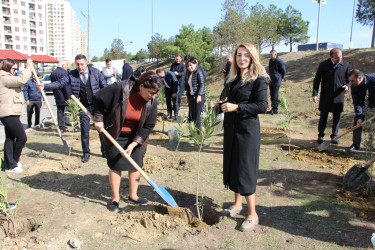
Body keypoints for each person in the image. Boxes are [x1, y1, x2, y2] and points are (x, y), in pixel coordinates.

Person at [93, 71, 162, 212]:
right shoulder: (119, 89)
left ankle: (133, 196)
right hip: (114, 132)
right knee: (115, 165)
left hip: (135, 135)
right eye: (151, 93)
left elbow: (149, 126)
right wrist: (98, 119)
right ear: (141, 86)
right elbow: (98, 99)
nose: (153, 96)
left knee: (136, 165)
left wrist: (135, 143)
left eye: (155, 93)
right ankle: (115, 198)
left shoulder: (152, 101)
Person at [218, 43, 268, 232]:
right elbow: (231, 99)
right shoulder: (232, 77)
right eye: (239, 55)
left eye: (246, 55)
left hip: (248, 130)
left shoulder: (259, 79)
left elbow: (262, 106)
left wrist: (236, 107)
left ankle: (252, 214)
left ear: (252, 57)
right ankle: (237, 205)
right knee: (233, 165)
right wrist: (222, 105)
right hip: (231, 128)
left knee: (245, 169)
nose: (242, 59)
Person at [38, 54, 107, 163]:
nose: (80, 67)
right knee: (84, 131)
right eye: (77, 64)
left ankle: (105, 151)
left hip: (96, 106)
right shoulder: (72, 74)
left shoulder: (95, 72)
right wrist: (45, 86)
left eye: (82, 64)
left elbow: (104, 86)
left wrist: (105, 101)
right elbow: (60, 83)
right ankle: (86, 153)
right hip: (82, 106)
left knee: (101, 129)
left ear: (86, 63)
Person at [0, 58, 33, 173]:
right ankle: (12, 163)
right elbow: (21, 80)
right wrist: (28, 67)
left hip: (11, 111)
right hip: (8, 113)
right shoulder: (3, 77)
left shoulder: (6, 76)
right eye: (14, 68)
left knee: (10, 138)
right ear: (7, 67)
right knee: (21, 137)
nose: (15, 70)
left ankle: (10, 164)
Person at [313, 48, 350, 144]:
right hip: (326, 96)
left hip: (339, 95)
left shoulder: (345, 65)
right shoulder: (323, 65)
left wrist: (347, 86)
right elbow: (317, 80)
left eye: (341, 56)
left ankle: (334, 136)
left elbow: (349, 79)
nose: (340, 59)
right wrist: (315, 94)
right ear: (331, 57)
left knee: (337, 117)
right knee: (323, 116)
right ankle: (321, 135)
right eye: (337, 57)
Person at [347, 69, 375, 152]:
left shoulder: (373, 79)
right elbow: (357, 103)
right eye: (350, 81)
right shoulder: (354, 87)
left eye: (352, 80)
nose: (351, 83)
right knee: (357, 121)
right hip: (366, 104)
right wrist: (359, 116)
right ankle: (355, 144)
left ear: (360, 78)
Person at [50, 60, 72, 133]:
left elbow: (53, 84)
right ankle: (66, 122)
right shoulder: (64, 73)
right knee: (67, 110)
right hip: (64, 94)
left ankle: (61, 126)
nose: (66, 67)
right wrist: (69, 96)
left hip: (57, 94)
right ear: (63, 65)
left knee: (60, 111)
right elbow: (66, 86)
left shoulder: (53, 73)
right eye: (66, 65)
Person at [185, 56, 206, 129]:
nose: (189, 67)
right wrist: (187, 96)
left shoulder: (198, 72)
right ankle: (194, 132)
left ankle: (198, 133)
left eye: (191, 65)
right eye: (188, 66)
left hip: (198, 96)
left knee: (197, 116)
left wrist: (199, 95)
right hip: (192, 96)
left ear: (195, 64)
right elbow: (188, 87)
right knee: (192, 115)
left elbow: (202, 85)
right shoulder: (189, 74)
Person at [267, 50, 286, 115]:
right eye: (270, 55)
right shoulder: (271, 61)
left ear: (275, 54)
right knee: (272, 95)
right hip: (271, 80)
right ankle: (272, 108)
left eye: (271, 55)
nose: (270, 56)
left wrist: (281, 77)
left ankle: (275, 110)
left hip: (277, 81)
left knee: (275, 96)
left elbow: (283, 71)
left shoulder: (279, 61)